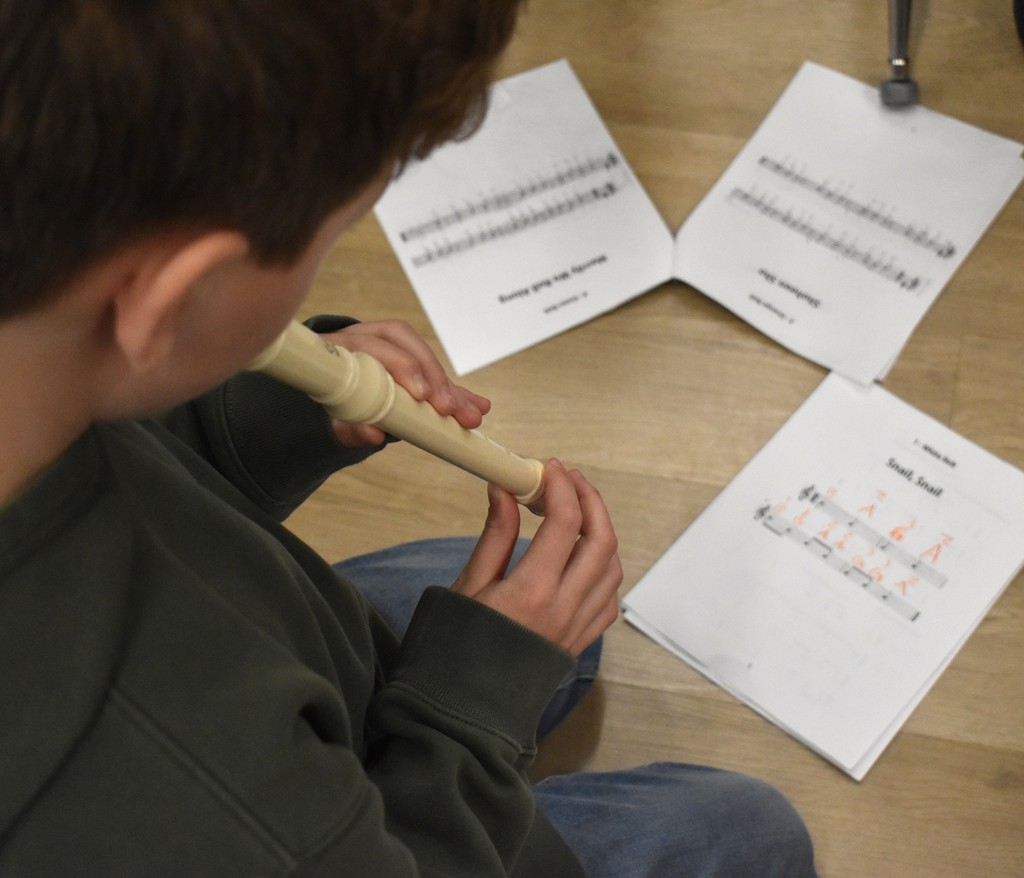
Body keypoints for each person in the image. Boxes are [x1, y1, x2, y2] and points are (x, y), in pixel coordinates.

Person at [0, 1, 817, 875]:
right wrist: (467, 715)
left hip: (250, 633)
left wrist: (258, 416)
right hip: (348, 827)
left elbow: (139, 462)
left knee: (519, 612)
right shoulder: (181, 784)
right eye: (332, 236)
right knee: (745, 831)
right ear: (171, 299)